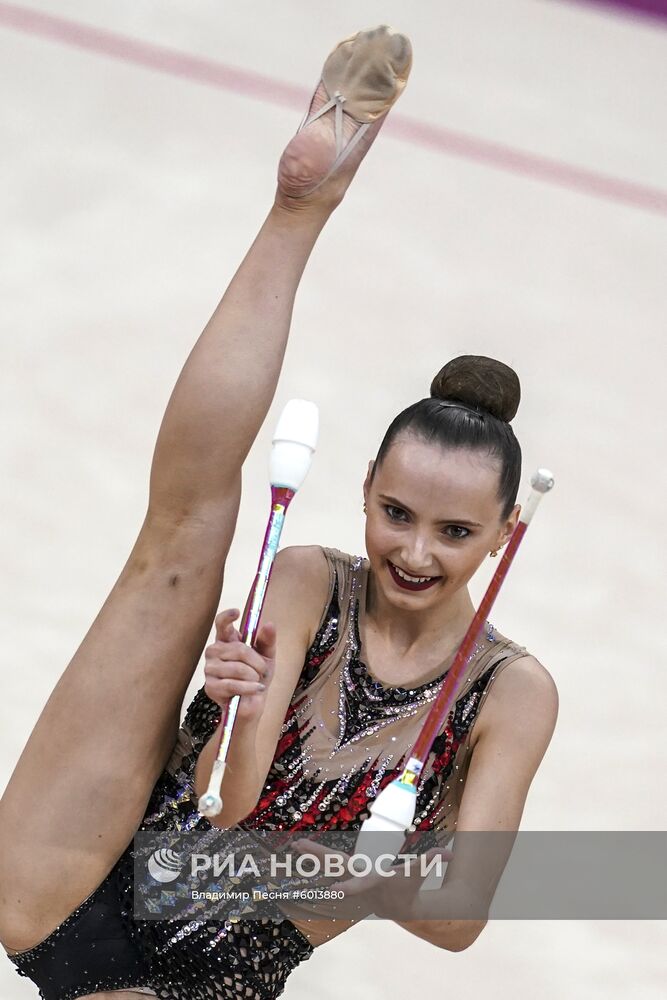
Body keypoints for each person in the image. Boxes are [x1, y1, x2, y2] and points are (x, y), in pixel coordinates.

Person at [0, 24, 558, 1000]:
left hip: (207, 978)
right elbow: (230, 802)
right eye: (395, 512)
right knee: (178, 533)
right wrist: (240, 704)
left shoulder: (511, 694)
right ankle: (299, 207)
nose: (413, 549)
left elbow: (462, 917)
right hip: (79, 860)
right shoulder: (310, 578)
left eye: (454, 531)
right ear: (364, 492)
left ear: (504, 532)